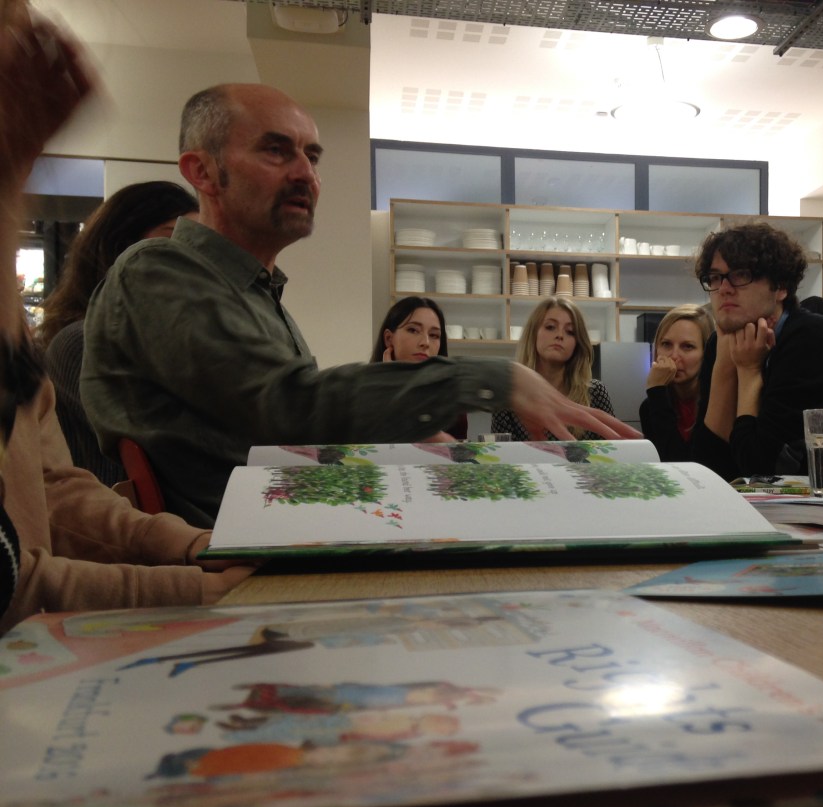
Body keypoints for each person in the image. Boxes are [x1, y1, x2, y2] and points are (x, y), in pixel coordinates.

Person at [82, 83, 635, 527]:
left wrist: (413, 438)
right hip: (238, 564)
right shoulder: (157, 271)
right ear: (201, 172)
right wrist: (491, 378)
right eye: (276, 150)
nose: (305, 174)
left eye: (312, 156)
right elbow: (288, 409)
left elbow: (299, 424)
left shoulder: (257, 294)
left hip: (283, 534)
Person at [0, 1, 254, 634]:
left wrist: (192, 548)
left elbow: (56, 489)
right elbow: (14, 579)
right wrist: (195, 583)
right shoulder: (81, 344)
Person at [39, 181, 199, 483]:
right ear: (119, 247)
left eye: (197, 245)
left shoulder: (170, 340)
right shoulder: (84, 341)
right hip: (118, 509)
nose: (192, 260)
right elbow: (176, 453)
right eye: (171, 240)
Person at [690, 222, 823, 480]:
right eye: (715, 278)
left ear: (781, 287)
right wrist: (725, 365)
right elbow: (706, 466)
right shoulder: (720, 341)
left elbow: (761, 469)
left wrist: (748, 371)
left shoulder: (810, 338)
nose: (724, 288)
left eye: (741, 274)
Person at [490, 297, 614, 441]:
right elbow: (501, 452)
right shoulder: (511, 396)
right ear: (533, 333)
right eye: (550, 327)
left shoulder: (595, 393)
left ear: (577, 343)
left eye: (570, 331)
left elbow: (614, 450)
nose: (560, 335)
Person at [370, 295, 467, 440]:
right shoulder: (362, 395)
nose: (425, 342)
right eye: (413, 330)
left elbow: (459, 452)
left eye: (434, 335)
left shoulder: (452, 400)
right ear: (389, 339)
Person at [639, 304, 713, 462]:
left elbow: (691, 465)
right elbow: (667, 464)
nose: (674, 356)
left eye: (687, 346)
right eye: (666, 344)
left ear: (706, 352)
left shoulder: (716, 405)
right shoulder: (650, 406)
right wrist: (656, 392)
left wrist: (656, 391)